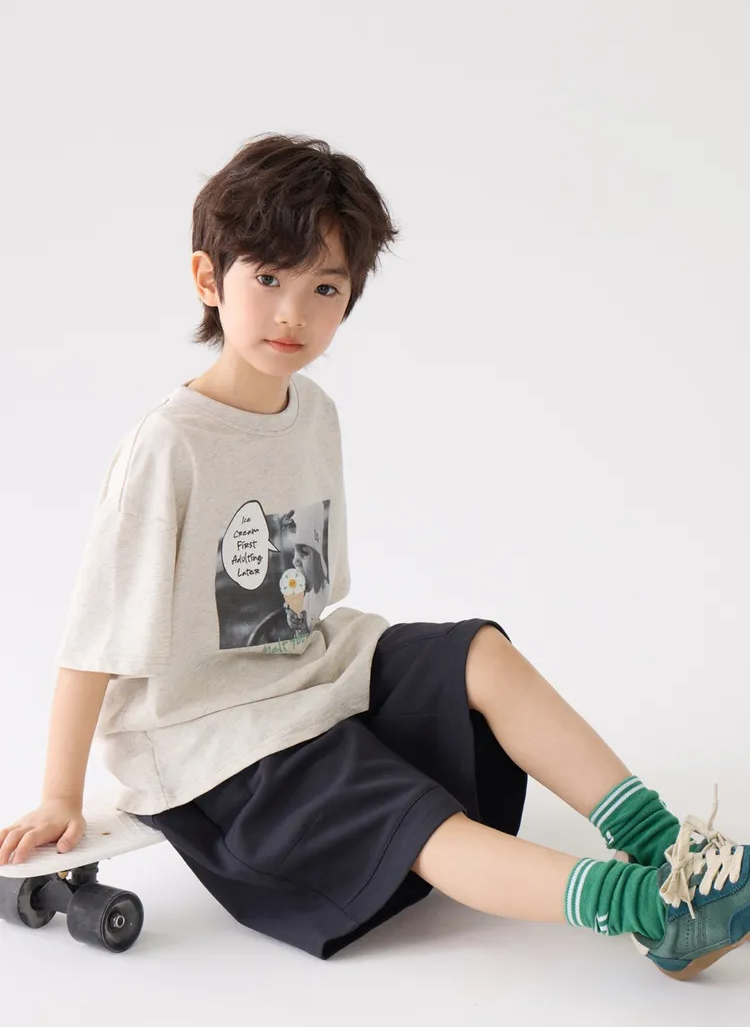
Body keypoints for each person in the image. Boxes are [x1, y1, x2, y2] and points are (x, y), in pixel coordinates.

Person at [0, 135, 747, 978]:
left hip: (305, 668)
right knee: (411, 813)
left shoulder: (314, 412)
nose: (294, 312)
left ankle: (667, 846)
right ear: (209, 279)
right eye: (268, 278)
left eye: (324, 288)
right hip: (209, 731)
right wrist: (61, 793)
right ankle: (653, 910)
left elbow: (302, 604)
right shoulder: (170, 447)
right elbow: (92, 636)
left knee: (478, 651)